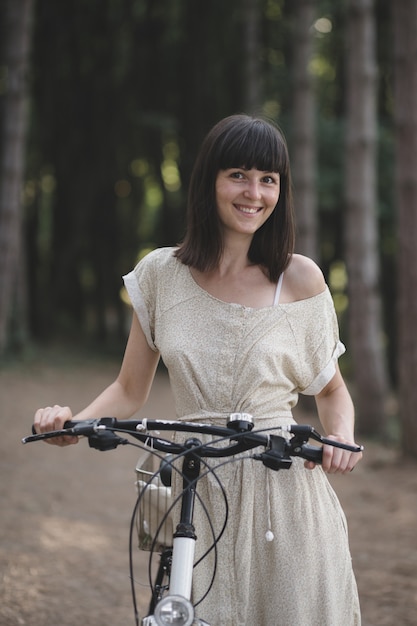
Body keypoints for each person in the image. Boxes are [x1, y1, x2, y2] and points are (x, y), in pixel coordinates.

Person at [34, 114, 362, 625]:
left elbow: (333, 389)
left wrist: (340, 435)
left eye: (269, 179)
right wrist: (74, 424)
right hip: (199, 487)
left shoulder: (298, 278)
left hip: (284, 491)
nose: (254, 192)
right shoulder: (162, 274)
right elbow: (128, 388)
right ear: (209, 179)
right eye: (239, 174)